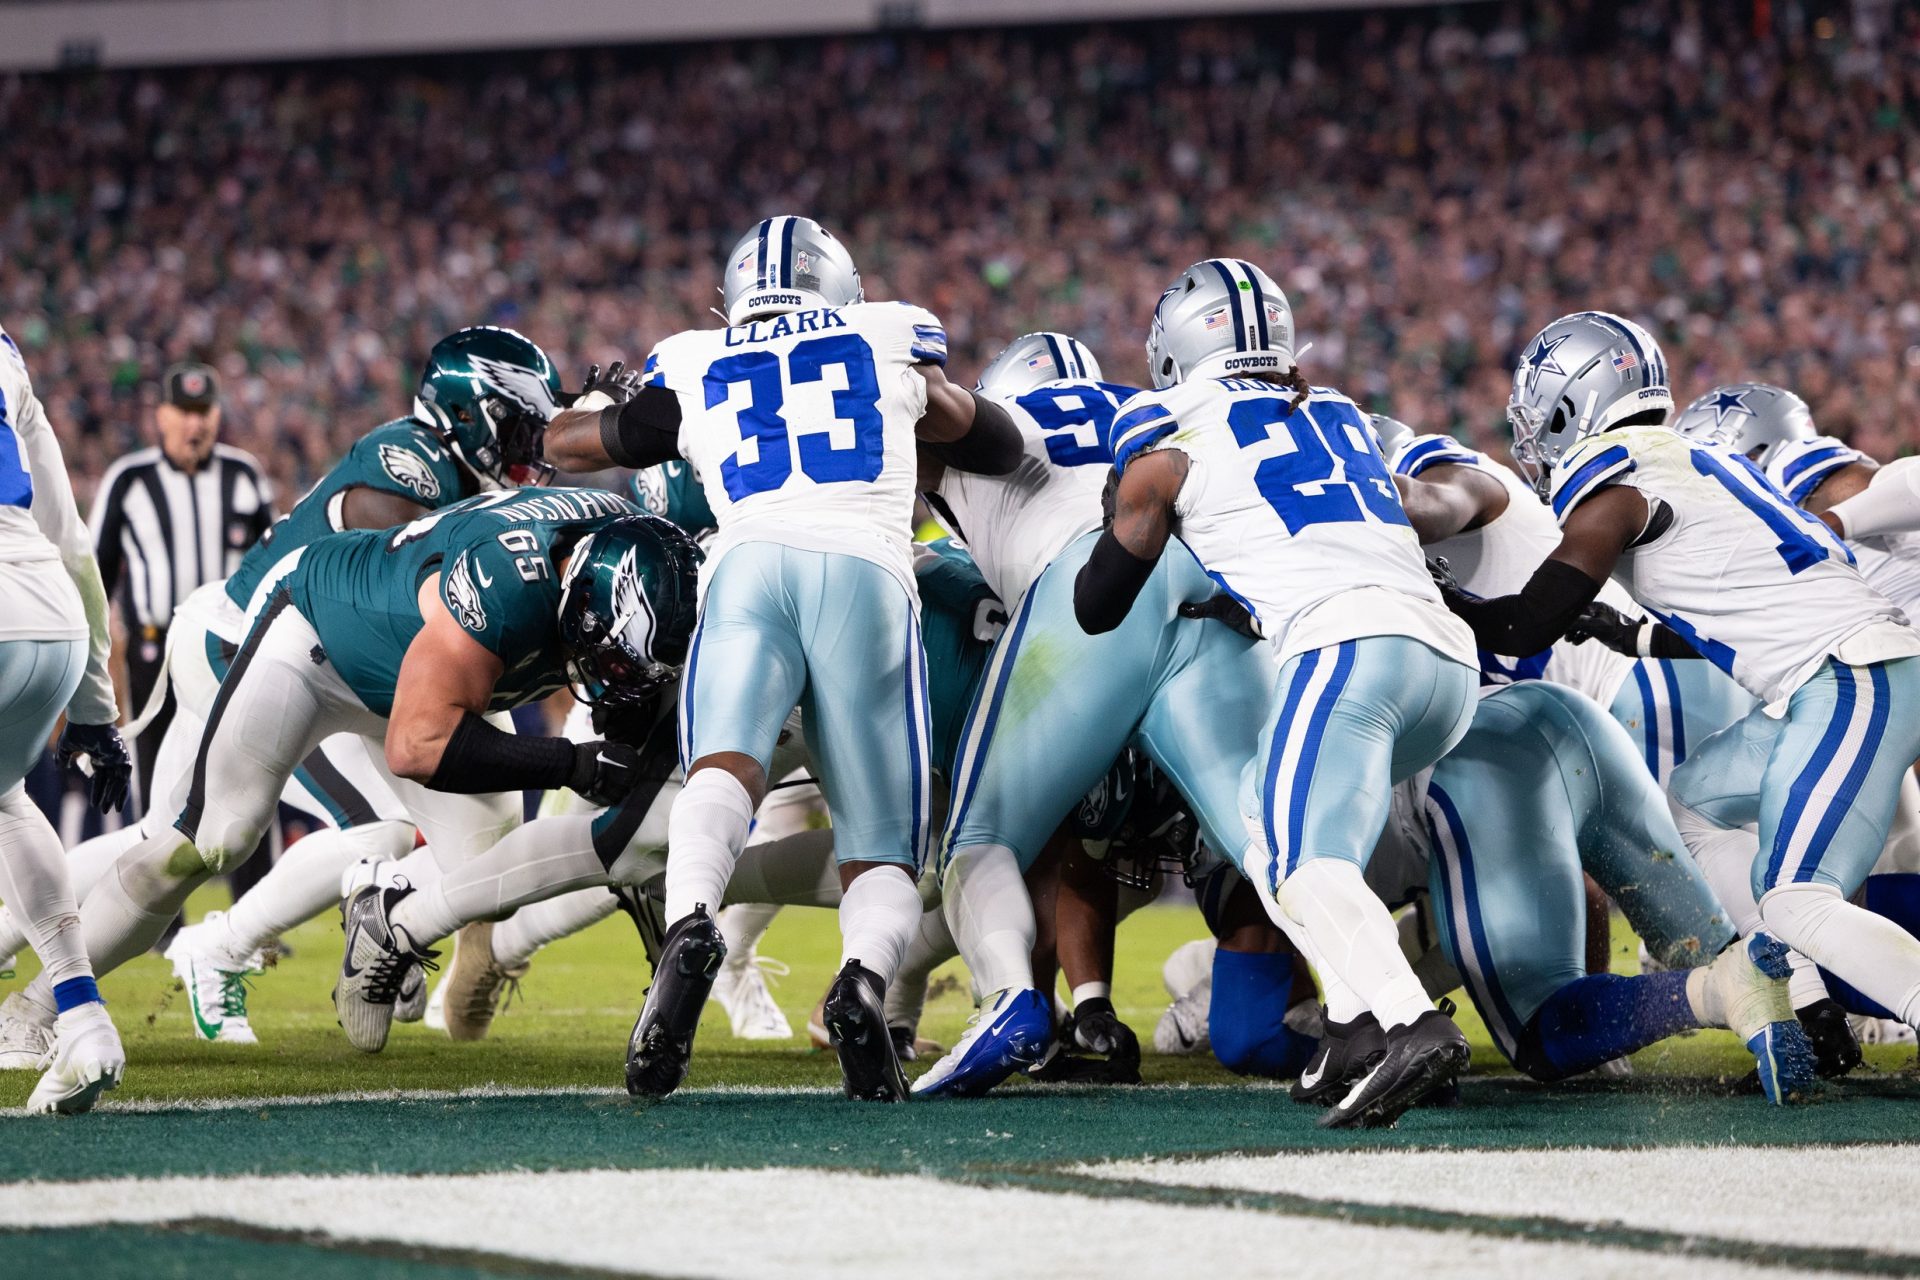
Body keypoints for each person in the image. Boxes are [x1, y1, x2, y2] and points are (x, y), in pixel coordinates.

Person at [540, 215, 1022, 1102]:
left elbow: (581, 445)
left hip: (748, 568)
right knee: (883, 845)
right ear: (843, 289)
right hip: (868, 575)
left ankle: (689, 920)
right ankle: (863, 982)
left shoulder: (692, 356)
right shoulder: (886, 335)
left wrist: (580, 415)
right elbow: (994, 443)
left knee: (722, 772)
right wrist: (933, 406)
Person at [0, 326, 562, 1046]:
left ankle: (35, 966)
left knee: (169, 841)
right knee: (330, 835)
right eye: (518, 427)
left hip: (350, 660)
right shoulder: (410, 463)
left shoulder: (462, 475)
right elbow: (399, 579)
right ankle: (209, 951)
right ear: (465, 415)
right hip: (259, 643)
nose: (529, 447)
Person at [0, 488, 693, 1060]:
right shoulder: (506, 587)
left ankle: (382, 906)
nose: (610, 681)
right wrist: (570, 763)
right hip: (318, 640)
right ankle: (34, 1008)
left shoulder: (643, 559)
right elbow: (418, 745)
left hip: (427, 669)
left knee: (490, 871)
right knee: (209, 841)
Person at [1442, 310, 1920, 1084]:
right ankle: (1810, 1009)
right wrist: (1625, 635)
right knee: (1697, 802)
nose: (1535, 439)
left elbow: (1526, 625)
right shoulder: (1693, 458)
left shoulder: (1617, 487)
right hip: (1841, 674)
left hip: (1849, 676)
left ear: (1572, 406)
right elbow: (1731, 601)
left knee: (1799, 899)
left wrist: (1448, 596)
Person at [1080, 259, 1482, 1128]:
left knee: (1297, 863)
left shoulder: (1166, 436)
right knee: (1285, 831)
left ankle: (1409, 1021)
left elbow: (1097, 603)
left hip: (1347, 652)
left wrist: (1133, 504)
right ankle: (1347, 1021)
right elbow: (1414, 509)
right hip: (1446, 666)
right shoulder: (1341, 415)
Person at [908, 330, 1276, 1099]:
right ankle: (1374, 1004)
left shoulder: (984, 422)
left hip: (1090, 585)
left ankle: (1012, 998)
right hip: (1206, 584)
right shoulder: (1149, 409)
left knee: (981, 839)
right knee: (1261, 835)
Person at [0, 327, 133, 1113]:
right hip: (49, 612)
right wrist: (95, 711)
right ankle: (82, 1022)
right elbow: (72, 542)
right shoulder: (7, 351)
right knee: (7, 799)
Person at [88, 363, 273, 814]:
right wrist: (92, 660)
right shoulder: (129, 479)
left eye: (203, 410)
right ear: (162, 415)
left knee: (245, 784)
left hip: (229, 650)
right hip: (155, 654)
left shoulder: (244, 475)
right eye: (184, 411)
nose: (195, 423)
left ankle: (251, 886)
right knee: (159, 788)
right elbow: (95, 577)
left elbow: (274, 564)